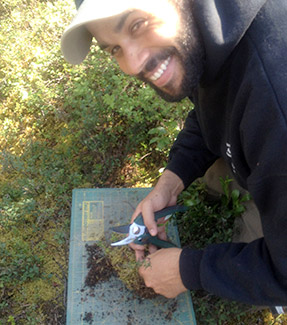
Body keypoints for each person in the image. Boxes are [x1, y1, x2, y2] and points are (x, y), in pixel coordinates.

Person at [61, 0, 287, 307]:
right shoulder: (205, 31)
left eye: (137, 24)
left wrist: (189, 270)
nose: (135, 62)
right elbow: (213, 108)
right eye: (114, 48)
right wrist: (171, 180)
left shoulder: (275, 102)